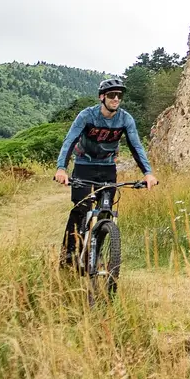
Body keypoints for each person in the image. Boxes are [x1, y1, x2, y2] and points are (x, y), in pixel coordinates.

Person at [53, 75, 158, 261]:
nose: (116, 99)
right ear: (102, 97)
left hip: (107, 167)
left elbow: (136, 147)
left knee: (105, 211)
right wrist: (61, 168)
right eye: (111, 95)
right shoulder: (87, 115)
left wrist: (148, 173)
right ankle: (68, 254)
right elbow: (70, 141)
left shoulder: (125, 119)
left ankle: (96, 253)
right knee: (81, 208)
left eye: (119, 95)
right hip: (84, 165)